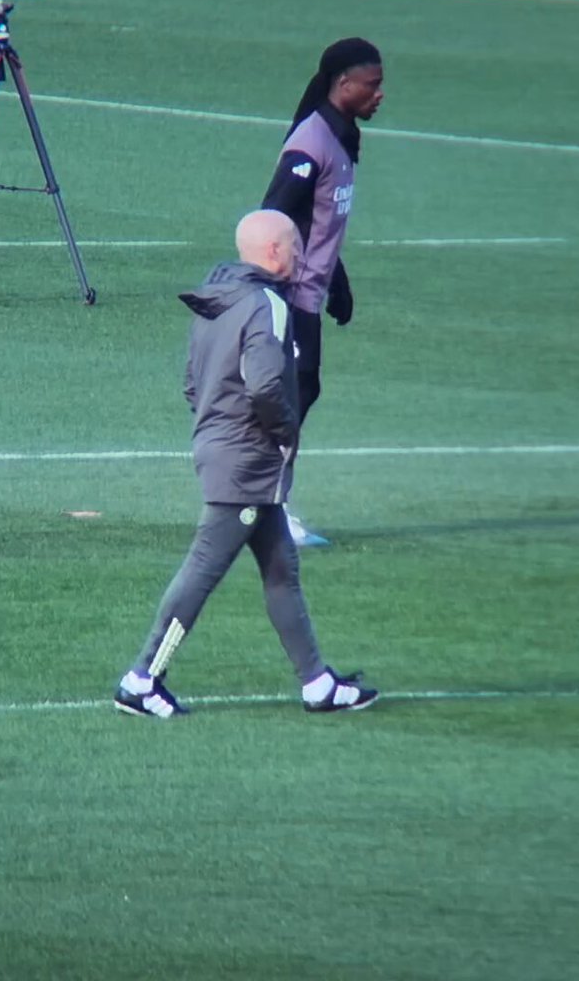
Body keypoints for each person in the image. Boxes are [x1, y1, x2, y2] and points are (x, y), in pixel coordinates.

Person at [114, 209, 378, 718]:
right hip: (248, 459)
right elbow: (264, 385)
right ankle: (141, 679)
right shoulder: (266, 305)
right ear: (275, 251)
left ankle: (317, 683)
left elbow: (192, 383)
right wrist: (285, 432)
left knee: (281, 569)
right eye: (296, 245)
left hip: (224, 447)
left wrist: (222, 425)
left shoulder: (218, 300)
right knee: (203, 569)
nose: (301, 254)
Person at [261, 37, 384, 546]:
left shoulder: (341, 136)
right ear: (343, 84)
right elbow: (273, 216)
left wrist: (337, 277)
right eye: (371, 85)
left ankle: (263, 505)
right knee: (289, 400)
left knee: (299, 395)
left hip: (311, 293)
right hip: (291, 297)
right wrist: (277, 294)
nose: (379, 94)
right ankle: (268, 511)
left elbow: (320, 221)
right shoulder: (310, 144)